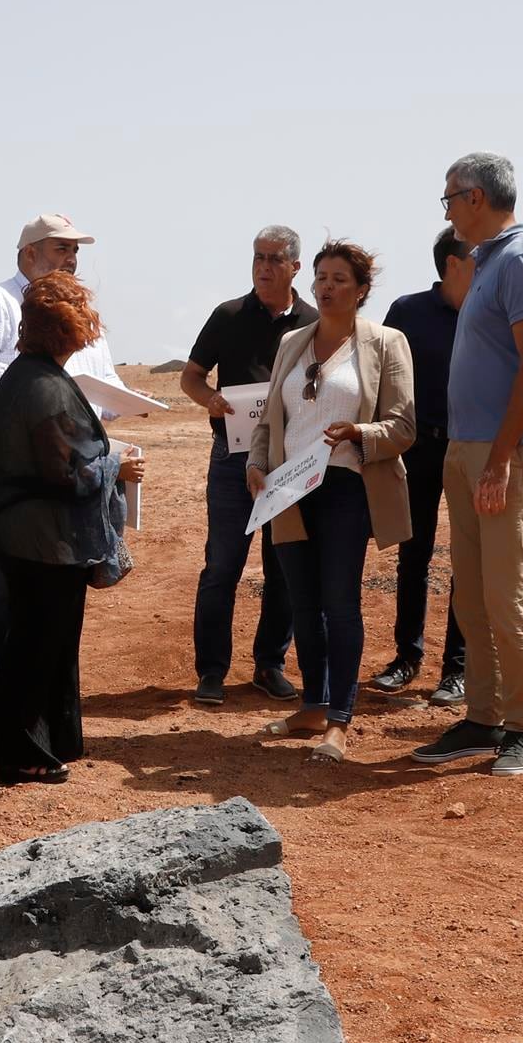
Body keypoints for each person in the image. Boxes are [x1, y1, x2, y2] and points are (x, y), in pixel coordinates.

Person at [0, 214, 141, 725]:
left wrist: (116, 404)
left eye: (76, 252)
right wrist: (37, 385)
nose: (71, 260)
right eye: (60, 250)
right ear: (28, 253)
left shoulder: (79, 314)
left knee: (60, 569)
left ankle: (38, 687)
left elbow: (106, 381)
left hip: (71, 460)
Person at [412, 152, 523, 778]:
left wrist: (500, 461)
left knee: (505, 596)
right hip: (469, 448)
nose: (444, 209)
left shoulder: (521, 259)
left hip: (506, 452)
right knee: (470, 597)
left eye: (447, 197)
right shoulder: (486, 261)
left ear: (475, 198)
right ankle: (482, 718)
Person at [245, 240, 416, 762]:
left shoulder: (386, 343)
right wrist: (255, 463)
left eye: (340, 279)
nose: (326, 286)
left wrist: (359, 432)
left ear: (362, 290)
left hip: (346, 487)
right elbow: (271, 419)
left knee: (340, 605)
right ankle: (314, 705)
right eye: (321, 276)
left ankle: (339, 721)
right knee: (302, 604)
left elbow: (403, 426)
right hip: (289, 489)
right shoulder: (292, 343)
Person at [0, 272, 144, 786]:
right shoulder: (45, 386)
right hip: (41, 537)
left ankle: (53, 741)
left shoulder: (30, 375)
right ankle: (21, 753)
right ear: (72, 331)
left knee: (48, 635)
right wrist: (118, 465)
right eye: (86, 321)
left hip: (30, 531)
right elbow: (70, 472)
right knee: (37, 639)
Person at [180, 226, 313, 707]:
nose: (263, 267)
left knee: (284, 568)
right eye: (258, 257)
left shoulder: (313, 324)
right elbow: (191, 377)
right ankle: (211, 672)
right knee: (222, 567)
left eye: (275, 258)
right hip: (231, 462)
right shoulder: (228, 315)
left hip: (289, 464)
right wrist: (210, 400)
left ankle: (269, 665)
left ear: (296, 266)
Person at [369, 228, 472, 707]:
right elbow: (380, 379)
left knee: (467, 562)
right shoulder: (407, 313)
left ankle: (458, 669)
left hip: (470, 450)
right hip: (418, 450)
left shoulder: (488, 312)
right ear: (453, 262)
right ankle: (406, 658)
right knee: (414, 556)